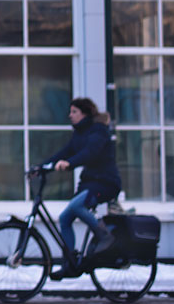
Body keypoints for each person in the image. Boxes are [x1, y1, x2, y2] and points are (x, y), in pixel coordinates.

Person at [46, 97, 121, 280]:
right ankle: (70, 263)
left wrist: (69, 163)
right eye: (70, 111)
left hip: (105, 183)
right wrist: (41, 167)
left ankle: (106, 236)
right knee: (65, 218)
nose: (70, 115)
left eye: (74, 112)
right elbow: (64, 153)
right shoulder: (79, 134)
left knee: (77, 206)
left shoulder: (98, 131)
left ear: (85, 114)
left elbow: (89, 153)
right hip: (90, 183)